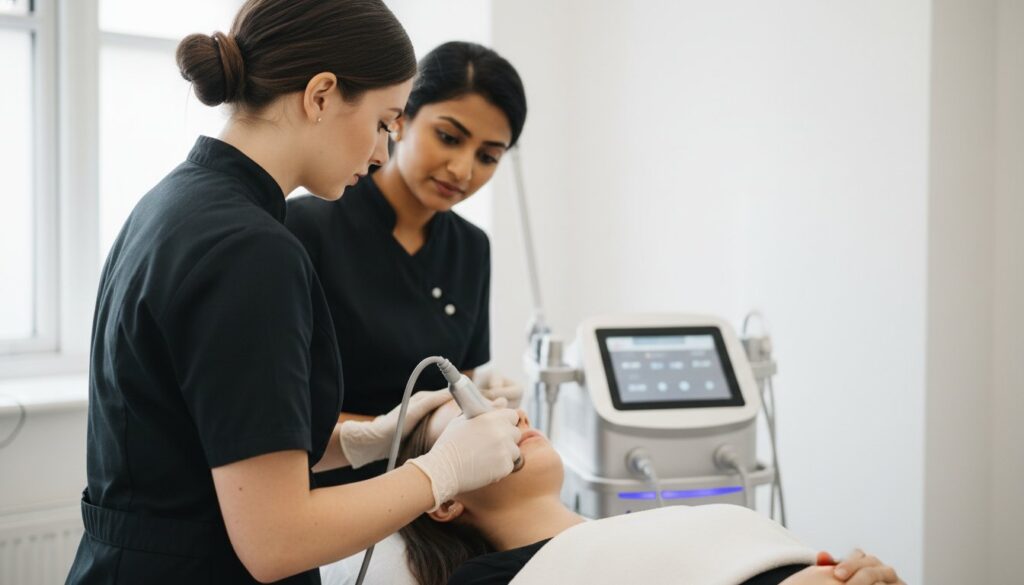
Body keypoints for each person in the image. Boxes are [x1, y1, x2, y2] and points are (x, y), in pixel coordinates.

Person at [65, 2, 520, 584]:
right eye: (383, 123)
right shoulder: (252, 249)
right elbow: (277, 540)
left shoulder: (176, 201)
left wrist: (363, 440)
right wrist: (442, 471)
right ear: (321, 95)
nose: (380, 152)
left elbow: (222, 437)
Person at [285, 41, 528, 487]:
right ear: (401, 118)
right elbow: (274, 416)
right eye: (449, 137)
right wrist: (400, 431)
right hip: (318, 491)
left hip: (434, 490)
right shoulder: (305, 228)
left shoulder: (471, 248)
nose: (462, 170)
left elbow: (458, 397)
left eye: (487, 156)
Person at [392, 399, 906, 585]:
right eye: (471, 419)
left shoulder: (652, 527)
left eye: (501, 407)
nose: (512, 416)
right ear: (446, 500)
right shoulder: (491, 578)